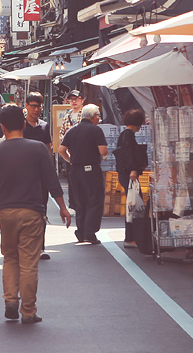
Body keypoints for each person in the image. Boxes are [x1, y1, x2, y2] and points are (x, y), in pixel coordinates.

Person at [0, 104, 71, 324]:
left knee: (10, 258)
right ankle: (28, 311)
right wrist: (63, 207)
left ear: (1, 127)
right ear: (22, 124)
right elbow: (52, 181)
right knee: (29, 263)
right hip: (32, 211)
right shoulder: (38, 148)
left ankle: (10, 300)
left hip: (5, 212)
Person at [57, 104, 108, 244]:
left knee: (80, 202)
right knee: (94, 200)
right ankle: (89, 233)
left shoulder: (72, 130)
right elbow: (103, 151)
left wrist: (70, 161)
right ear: (93, 116)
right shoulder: (96, 130)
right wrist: (103, 156)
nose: (99, 119)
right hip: (91, 170)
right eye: (98, 115)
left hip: (75, 171)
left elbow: (61, 149)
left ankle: (81, 232)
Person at [22, 91, 53, 260]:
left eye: (39, 106)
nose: (36, 109)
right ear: (26, 106)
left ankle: (40, 247)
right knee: (25, 212)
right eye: (33, 106)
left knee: (41, 211)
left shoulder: (44, 126)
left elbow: (48, 148)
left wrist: (50, 171)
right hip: (24, 177)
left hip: (41, 176)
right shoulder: (21, 126)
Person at [115, 107, 150, 251]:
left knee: (133, 205)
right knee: (134, 206)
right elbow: (128, 154)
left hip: (125, 173)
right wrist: (133, 169)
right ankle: (130, 237)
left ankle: (131, 237)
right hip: (129, 174)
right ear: (138, 123)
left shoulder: (125, 134)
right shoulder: (128, 135)